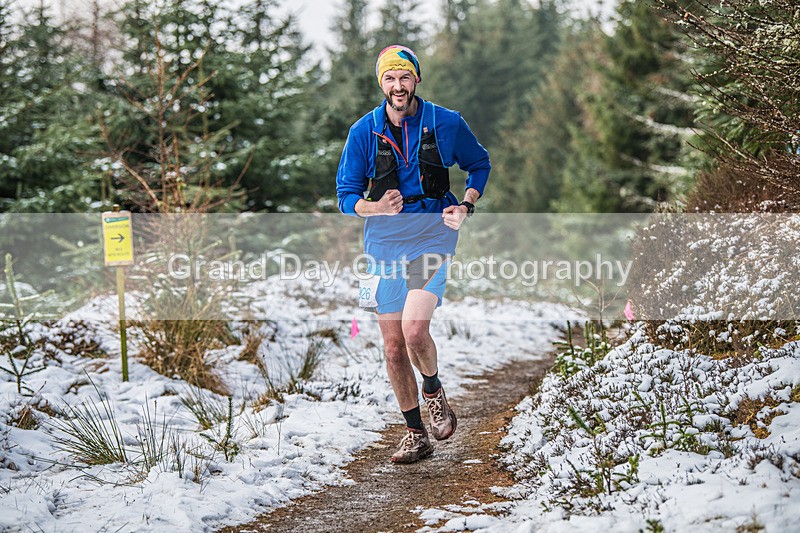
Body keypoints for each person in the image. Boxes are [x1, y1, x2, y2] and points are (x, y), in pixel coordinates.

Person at [336, 45, 490, 463]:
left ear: (416, 79)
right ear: (380, 82)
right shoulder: (363, 131)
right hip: (383, 243)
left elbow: (479, 164)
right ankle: (414, 431)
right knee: (391, 347)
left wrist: (466, 204)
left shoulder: (446, 122)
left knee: (415, 332)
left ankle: (434, 390)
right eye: (389, 78)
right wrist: (375, 207)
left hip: (431, 237)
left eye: (404, 77)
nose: (397, 86)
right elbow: (345, 196)